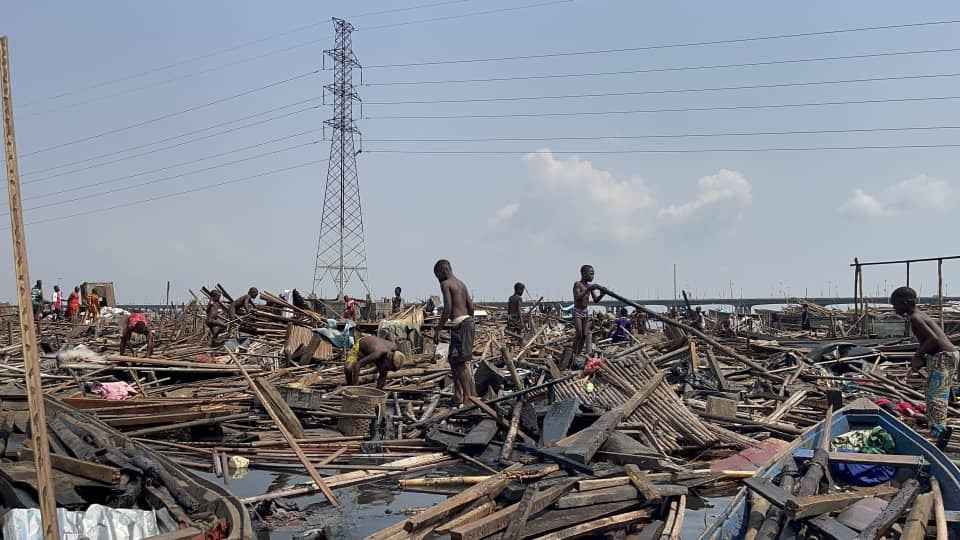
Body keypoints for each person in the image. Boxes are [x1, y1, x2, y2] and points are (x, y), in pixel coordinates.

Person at [892, 286, 959, 441]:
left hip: (943, 357)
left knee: (935, 398)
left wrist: (918, 355)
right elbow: (931, 341)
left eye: (896, 304)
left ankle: (938, 434)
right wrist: (922, 357)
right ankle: (937, 426)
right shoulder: (919, 315)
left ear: (907, 302)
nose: (895, 308)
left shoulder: (915, 317)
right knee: (936, 393)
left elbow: (933, 340)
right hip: (948, 355)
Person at [433, 259, 477, 405]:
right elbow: (471, 307)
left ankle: (468, 398)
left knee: (461, 362)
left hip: (461, 325)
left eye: (437, 275)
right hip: (466, 323)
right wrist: (467, 321)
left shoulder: (446, 284)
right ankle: (458, 394)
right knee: (453, 360)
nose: (438, 279)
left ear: (443, 271)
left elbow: (447, 308)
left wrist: (438, 328)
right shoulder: (462, 284)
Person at [573, 265, 605, 356]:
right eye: (591, 274)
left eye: (593, 274)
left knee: (584, 335)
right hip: (577, 311)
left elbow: (596, 300)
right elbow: (577, 297)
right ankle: (573, 351)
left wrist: (602, 294)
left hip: (585, 311)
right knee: (579, 333)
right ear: (583, 274)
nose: (592, 276)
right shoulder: (578, 284)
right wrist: (588, 289)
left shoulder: (589, 286)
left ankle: (577, 354)